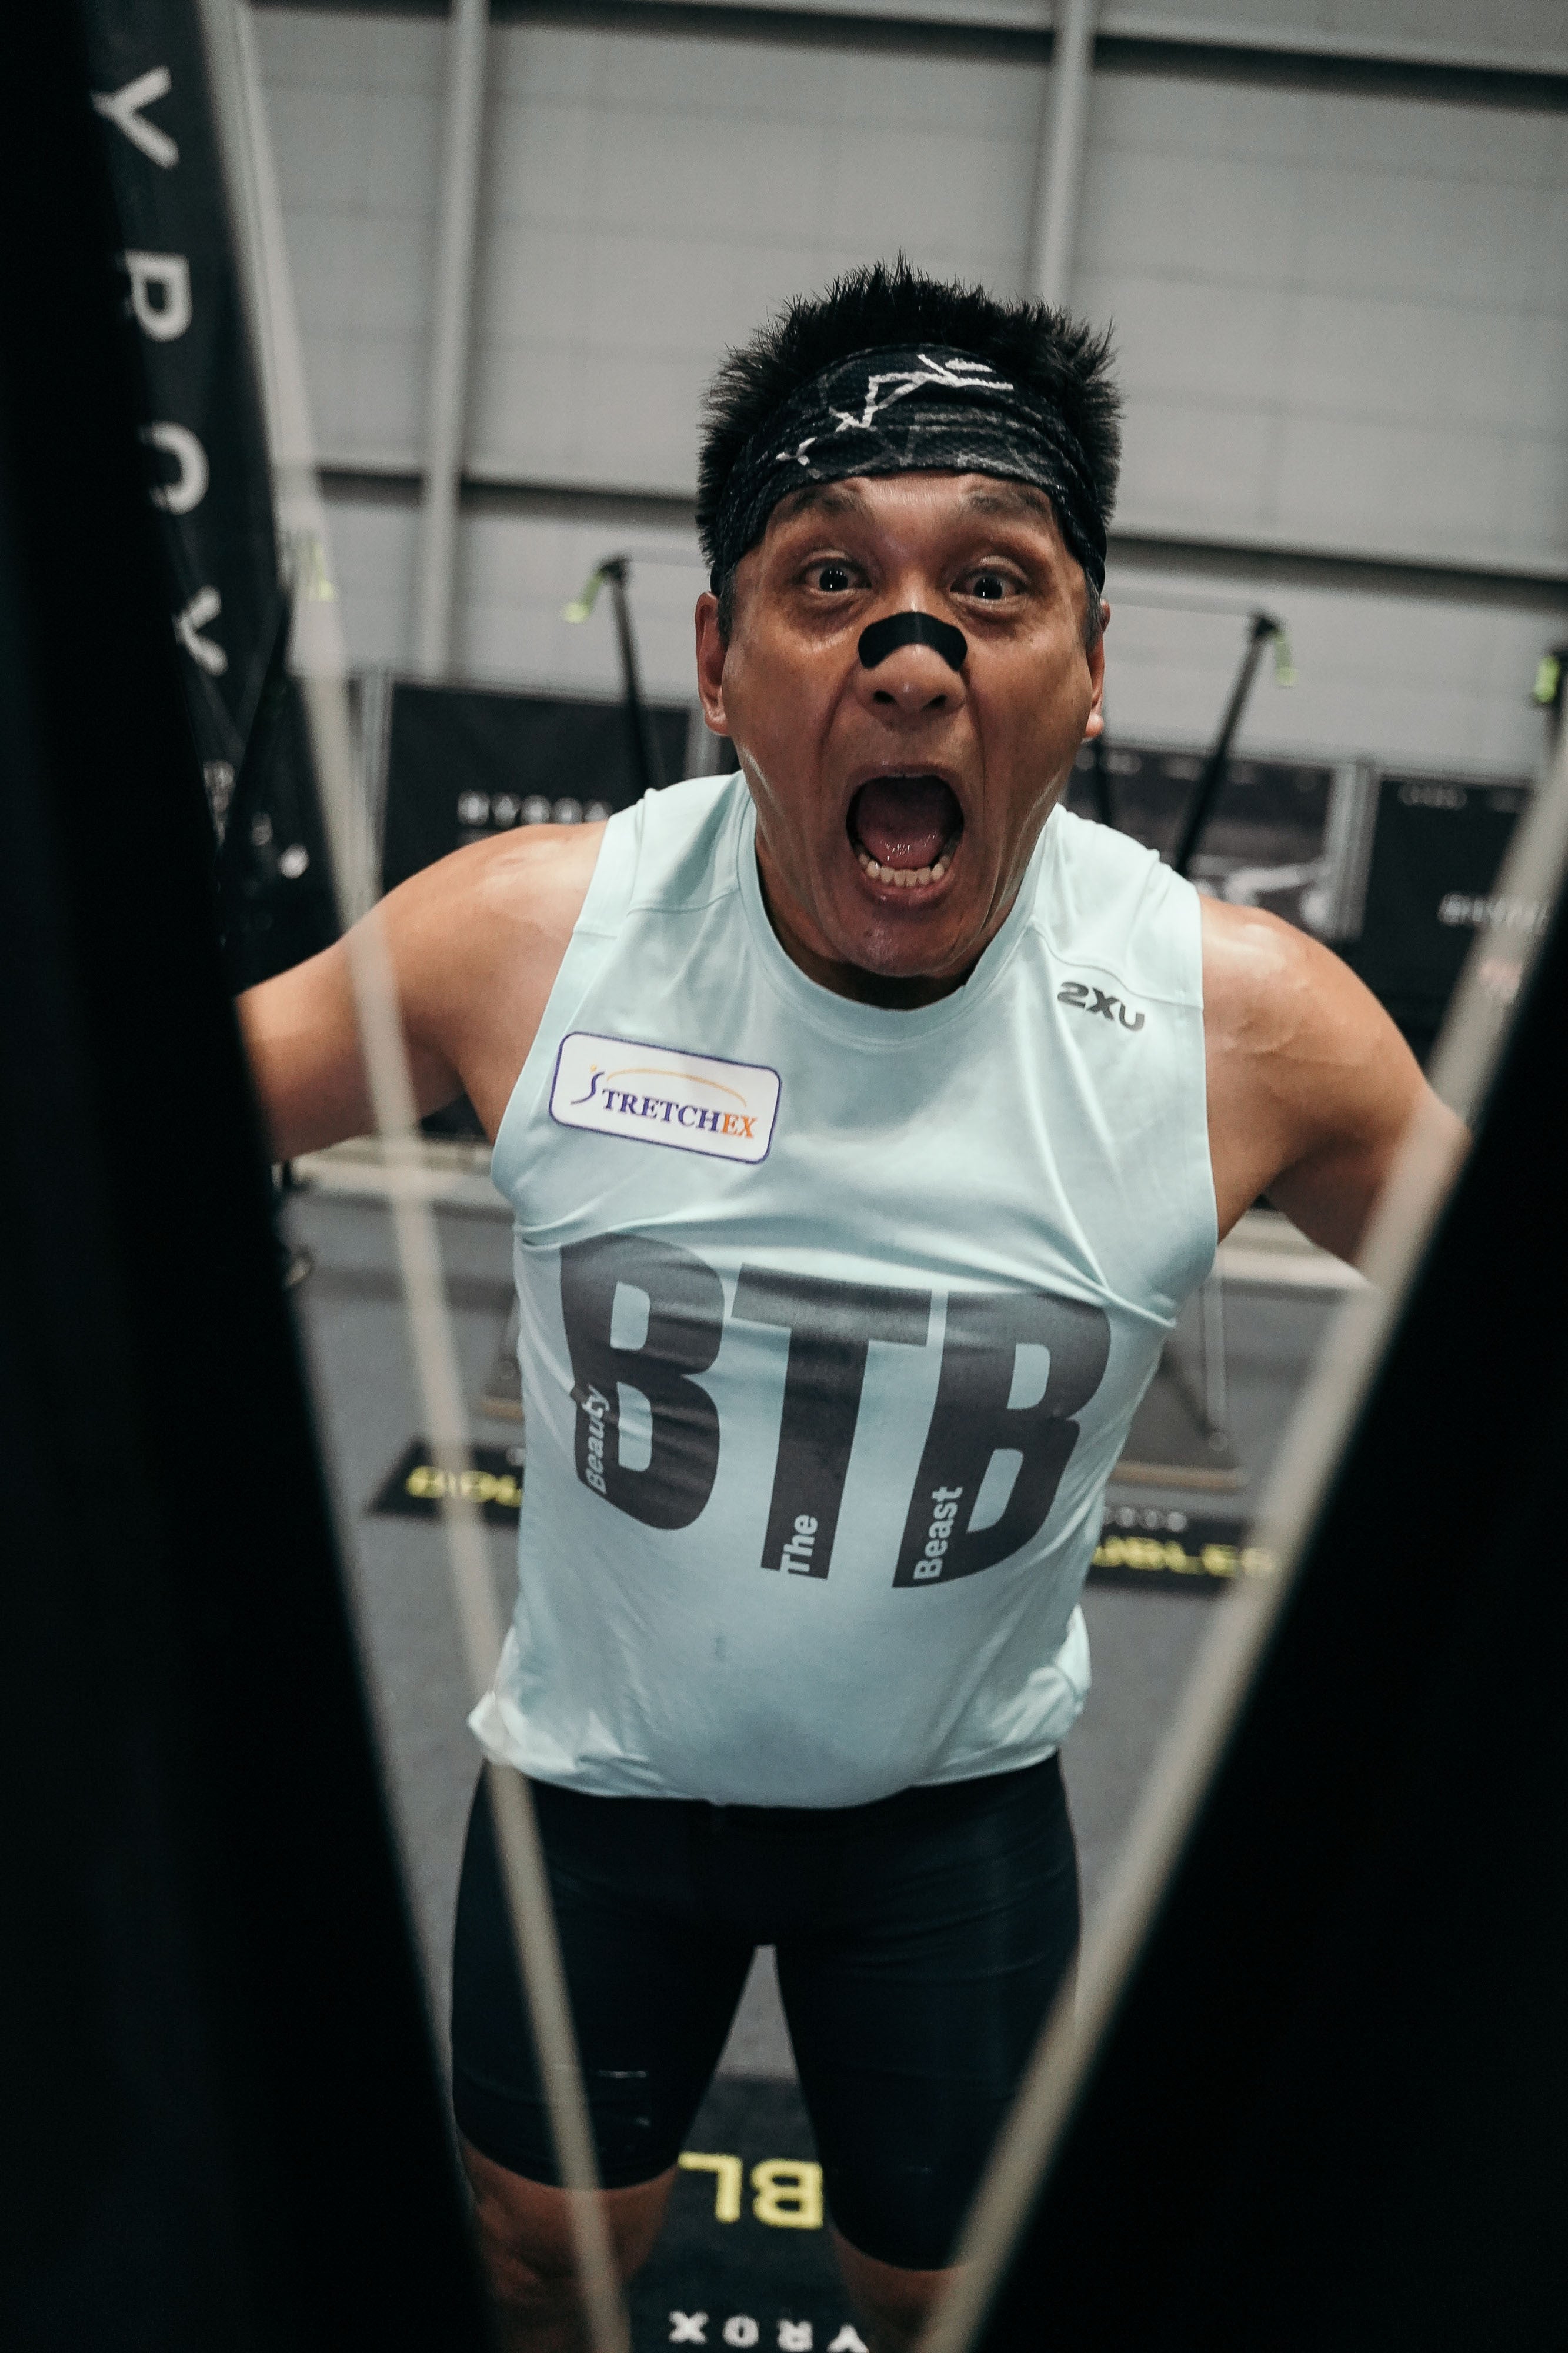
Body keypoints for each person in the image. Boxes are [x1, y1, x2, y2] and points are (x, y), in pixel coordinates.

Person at [240, 262, 1450, 2352]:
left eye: (990, 586)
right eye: (829, 582)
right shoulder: (526, 940)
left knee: (946, 2302)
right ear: (721, 661)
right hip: (597, 1793)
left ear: (1088, 667)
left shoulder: (1242, 1025)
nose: (910, 658)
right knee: (538, 2258)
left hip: (948, 1822)